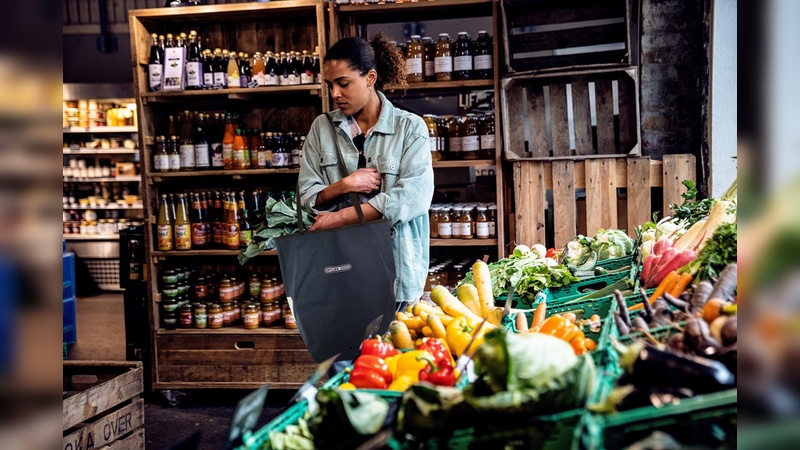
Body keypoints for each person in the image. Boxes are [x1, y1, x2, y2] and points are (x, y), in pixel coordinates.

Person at [298, 33, 434, 312]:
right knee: (343, 355)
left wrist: (339, 218)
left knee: (394, 354)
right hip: (338, 272)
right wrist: (344, 185)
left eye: (343, 83)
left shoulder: (410, 128)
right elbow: (306, 194)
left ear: (370, 78)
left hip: (395, 275)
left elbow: (411, 198)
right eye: (330, 85)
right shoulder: (321, 129)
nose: (335, 93)